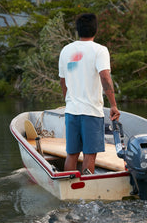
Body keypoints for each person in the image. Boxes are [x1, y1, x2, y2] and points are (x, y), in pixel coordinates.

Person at [59, 13, 120, 174]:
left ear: (78, 30)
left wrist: (68, 100)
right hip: (92, 112)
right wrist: (113, 105)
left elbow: (63, 81)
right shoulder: (100, 50)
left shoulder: (66, 51)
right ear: (96, 29)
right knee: (89, 155)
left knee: (71, 154)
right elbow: (105, 77)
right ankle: (85, 197)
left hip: (71, 111)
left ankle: (68, 193)